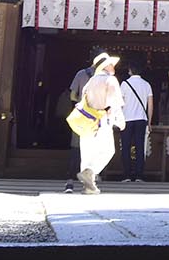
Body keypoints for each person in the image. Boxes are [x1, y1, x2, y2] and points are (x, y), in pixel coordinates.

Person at [74, 51, 125, 194]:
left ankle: (89, 186)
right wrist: (120, 120)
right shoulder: (110, 80)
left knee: (88, 152)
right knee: (108, 150)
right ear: (106, 66)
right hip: (102, 119)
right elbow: (115, 102)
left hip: (87, 120)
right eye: (111, 64)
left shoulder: (91, 81)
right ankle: (91, 172)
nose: (113, 66)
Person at [119, 61, 154, 182]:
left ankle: (127, 174)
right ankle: (139, 175)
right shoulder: (146, 85)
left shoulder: (124, 84)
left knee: (126, 146)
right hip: (141, 119)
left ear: (130, 70)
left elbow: (120, 104)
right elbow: (150, 105)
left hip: (127, 119)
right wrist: (149, 122)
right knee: (140, 147)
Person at [63, 61, 93, 193]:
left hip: (81, 116)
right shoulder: (105, 77)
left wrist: (80, 104)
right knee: (92, 149)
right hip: (96, 117)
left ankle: (70, 180)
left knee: (76, 148)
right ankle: (90, 181)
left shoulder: (81, 74)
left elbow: (72, 95)